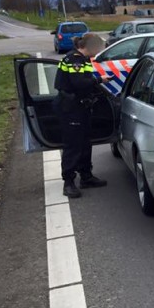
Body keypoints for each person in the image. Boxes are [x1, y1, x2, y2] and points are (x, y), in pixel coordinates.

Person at [53, 33, 111, 198]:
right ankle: (69, 182)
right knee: (73, 145)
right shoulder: (75, 59)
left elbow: (84, 82)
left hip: (80, 107)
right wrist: (99, 81)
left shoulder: (81, 59)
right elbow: (78, 83)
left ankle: (86, 176)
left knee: (85, 143)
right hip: (70, 108)